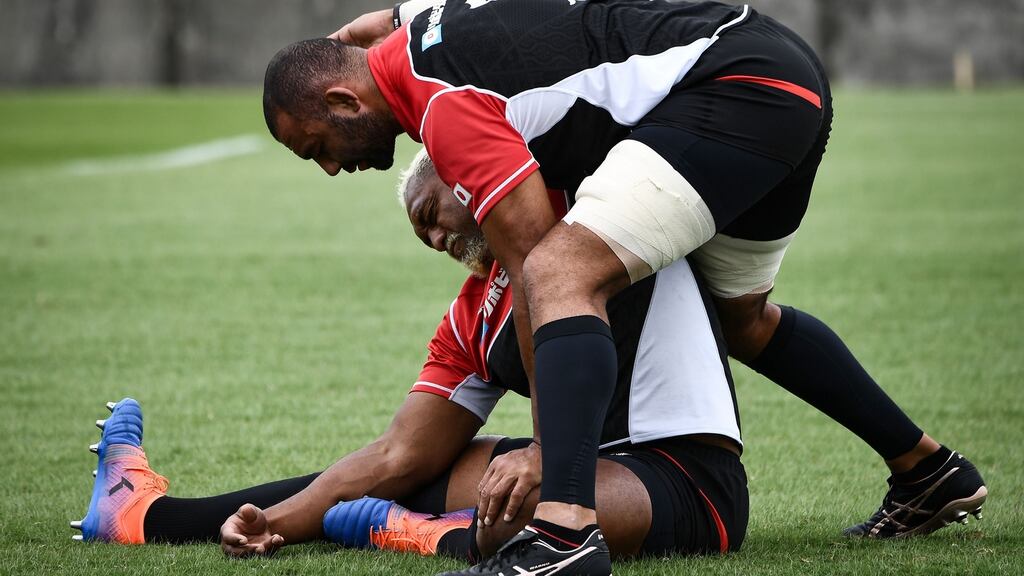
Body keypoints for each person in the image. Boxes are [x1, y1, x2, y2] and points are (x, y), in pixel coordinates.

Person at [260, 2, 986, 571]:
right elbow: (380, 26)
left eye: (317, 147)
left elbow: (533, 264)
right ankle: (927, 470)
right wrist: (368, 29)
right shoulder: (421, 27)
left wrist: (547, 452)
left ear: (346, 102)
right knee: (746, 321)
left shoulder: (443, 106)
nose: (329, 168)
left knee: (557, 271)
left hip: (733, 89)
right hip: (778, 73)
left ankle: (564, 532)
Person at [69, 154, 749, 564]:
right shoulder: (471, 315)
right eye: (417, 231)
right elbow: (398, 456)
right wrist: (273, 525)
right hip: (581, 466)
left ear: (470, 177)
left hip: (686, 481)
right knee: (411, 473)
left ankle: (428, 537)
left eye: (429, 210)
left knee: (542, 505)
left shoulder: (591, 219)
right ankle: (143, 515)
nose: (429, 236)